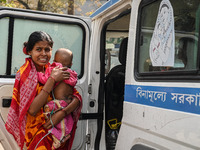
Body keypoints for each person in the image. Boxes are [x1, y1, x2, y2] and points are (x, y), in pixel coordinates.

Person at [5, 31, 82, 150]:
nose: (43, 54)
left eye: (47, 49)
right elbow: (32, 110)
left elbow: (75, 97)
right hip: (39, 132)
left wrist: (62, 113)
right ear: (30, 51)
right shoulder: (26, 73)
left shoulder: (53, 68)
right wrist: (52, 80)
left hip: (59, 128)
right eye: (38, 49)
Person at [38, 48, 78, 149]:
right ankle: (65, 134)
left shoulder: (55, 71)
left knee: (49, 119)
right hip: (67, 103)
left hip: (57, 104)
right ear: (71, 64)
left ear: (55, 61)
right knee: (67, 121)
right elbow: (73, 85)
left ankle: (58, 138)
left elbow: (44, 79)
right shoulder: (72, 74)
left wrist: (38, 75)